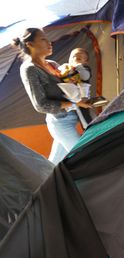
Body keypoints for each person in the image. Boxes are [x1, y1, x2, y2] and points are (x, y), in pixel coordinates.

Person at [13, 28, 91, 164]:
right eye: (43, 39)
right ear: (29, 44)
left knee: (54, 163)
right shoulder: (30, 69)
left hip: (72, 116)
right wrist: (75, 104)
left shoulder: (53, 64)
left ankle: (43, 184)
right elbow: (41, 105)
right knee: (84, 156)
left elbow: (68, 89)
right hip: (60, 122)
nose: (49, 43)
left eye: (48, 39)